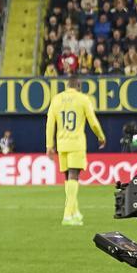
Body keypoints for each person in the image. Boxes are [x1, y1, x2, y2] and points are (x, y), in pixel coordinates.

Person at [45, 75, 106, 226]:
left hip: (62, 144)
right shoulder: (83, 99)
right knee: (74, 176)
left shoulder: (57, 99)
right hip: (76, 143)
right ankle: (67, 214)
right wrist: (101, 136)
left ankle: (75, 212)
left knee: (67, 178)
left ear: (67, 85)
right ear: (78, 86)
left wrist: (49, 145)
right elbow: (93, 122)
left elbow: (50, 124)